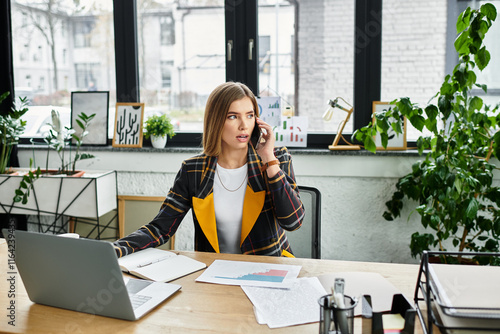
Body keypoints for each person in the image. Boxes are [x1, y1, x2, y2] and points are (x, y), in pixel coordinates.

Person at [113, 82, 304, 257]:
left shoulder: (276, 159)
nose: (244, 125)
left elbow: (293, 222)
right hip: (215, 272)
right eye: (232, 116)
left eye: (250, 115)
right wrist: (116, 249)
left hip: (268, 268)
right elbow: (161, 228)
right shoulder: (193, 170)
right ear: (216, 121)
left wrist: (269, 160)